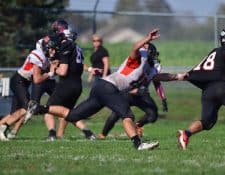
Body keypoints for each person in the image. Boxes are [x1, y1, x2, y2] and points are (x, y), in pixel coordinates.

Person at [31, 28, 161, 150]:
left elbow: (159, 76)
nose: (154, 58)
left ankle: (39, 108)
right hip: (109, 88)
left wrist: (179, 76)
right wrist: (147, 38)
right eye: (152, 54)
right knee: (127, 115)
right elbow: (134, 47)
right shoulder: (136, 60)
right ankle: (138, 144)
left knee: (73, 115)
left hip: (100, 87)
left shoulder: (147, 69)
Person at [98, 43, 167, 139]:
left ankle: (137, 125)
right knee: (116, 114)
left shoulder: (154, 66)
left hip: (142, 94)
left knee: (152, 115)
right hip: (127, 91)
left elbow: (157, 82)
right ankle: (103, 134)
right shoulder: (135, 61)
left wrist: (163, 98)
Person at [0, 42, 55, 141]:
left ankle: (3, 127)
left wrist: (51, 68)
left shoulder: (46, 58)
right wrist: (49, 74)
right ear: (46, 49)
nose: (53, 51)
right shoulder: (39, 56)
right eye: (52, 48)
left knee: (15, 112)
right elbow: (37, 79)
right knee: (27, 107)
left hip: (23, 83)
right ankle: (3, 126)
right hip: (19, 81)